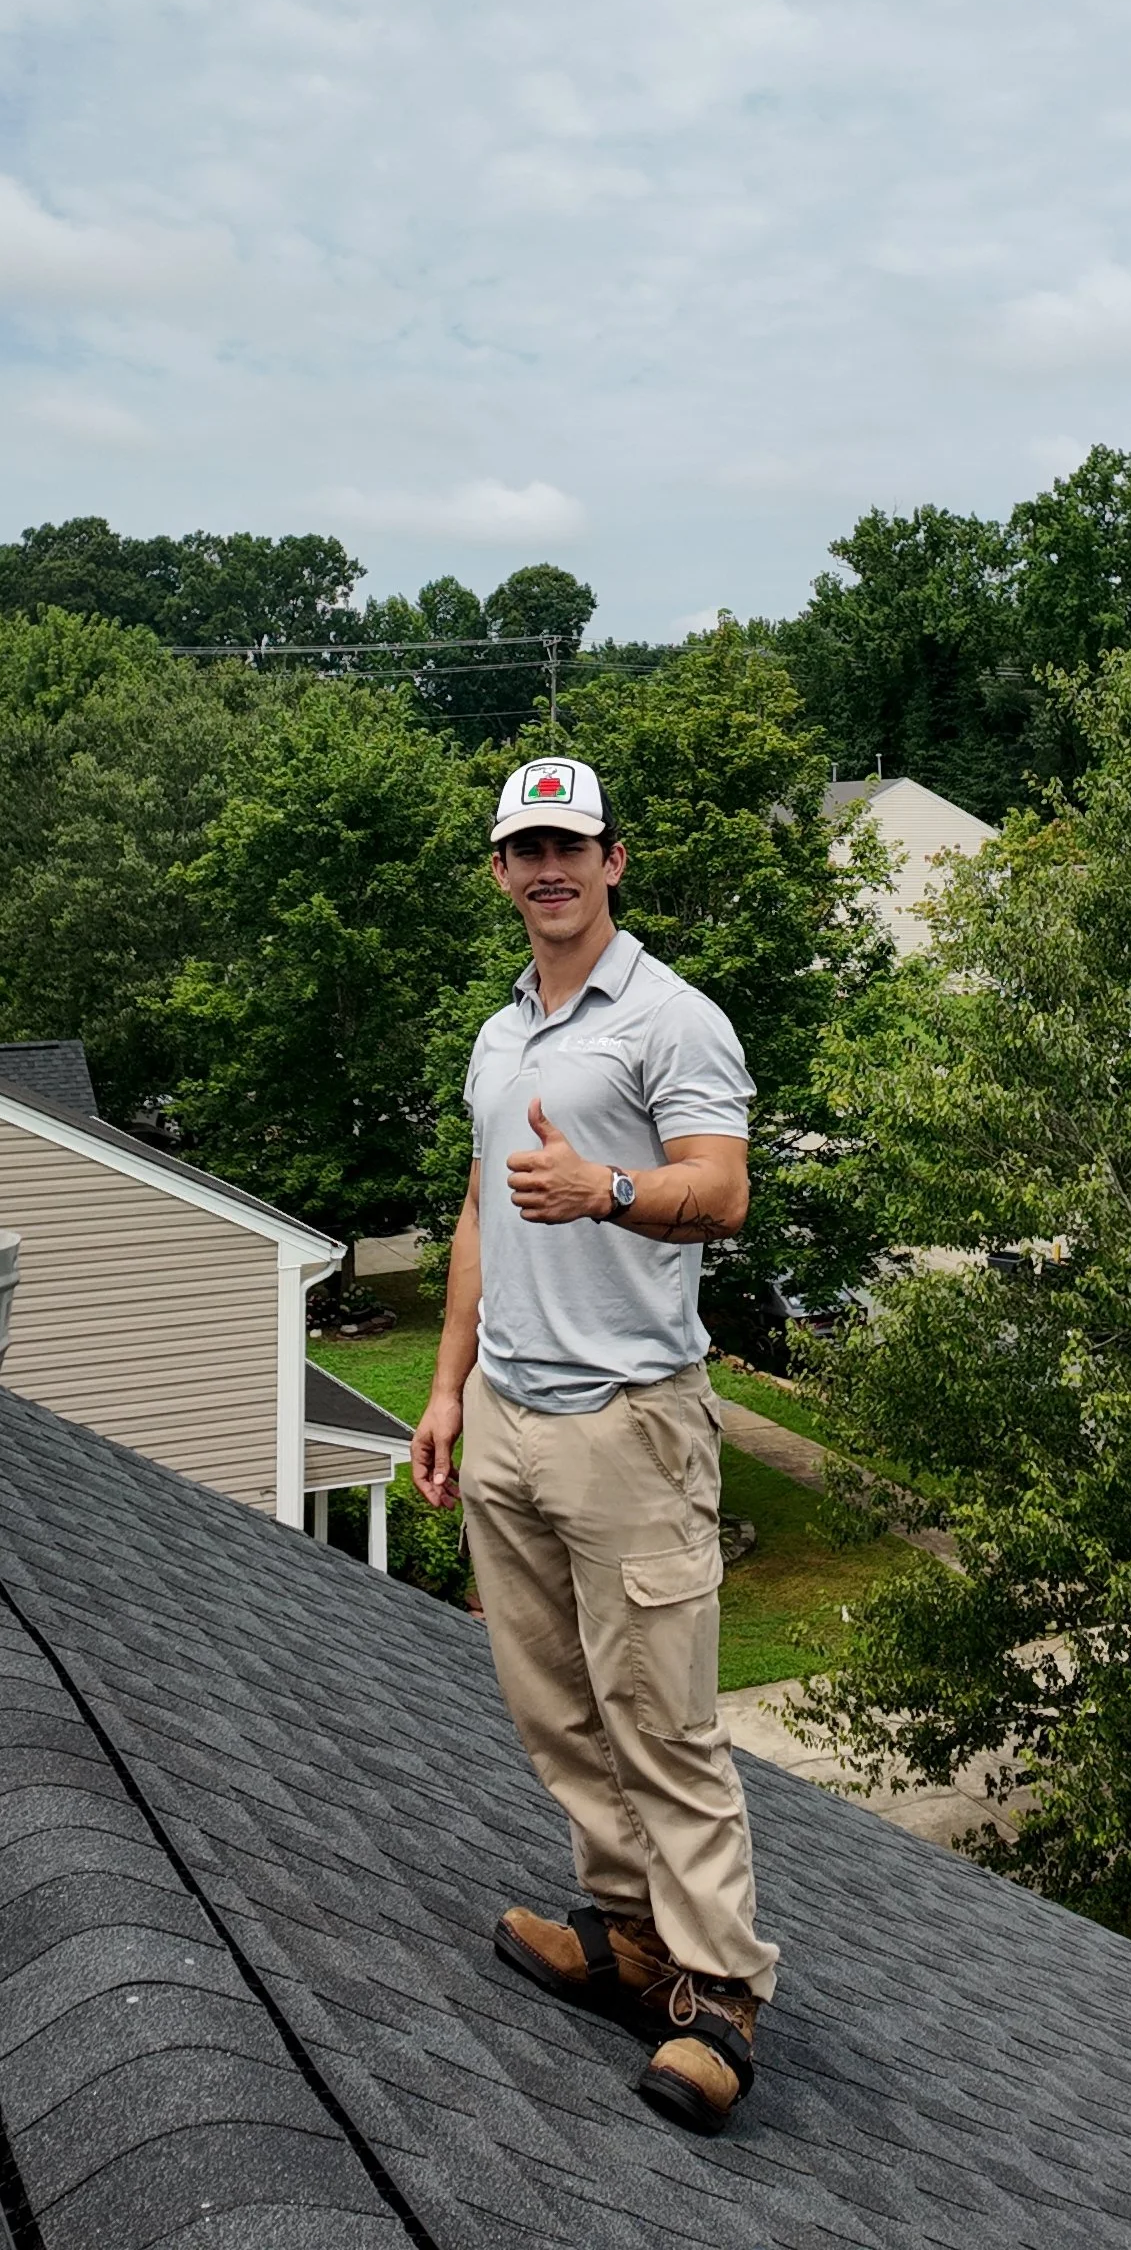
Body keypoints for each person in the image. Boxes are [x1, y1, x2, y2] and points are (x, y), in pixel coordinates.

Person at [412, 755, 777, 2136]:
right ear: (503, 873)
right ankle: (630, 1942)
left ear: (614, 862)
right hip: (508, 1416)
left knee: (663, 1725)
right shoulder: (502, 1036)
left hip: (631, 1425)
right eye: (526, 850)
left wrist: (607, 1189)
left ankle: (722, 1995)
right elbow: (477, 1221)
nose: (549, 869)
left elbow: (724, 1193)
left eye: (572, 845)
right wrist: (446, 1393)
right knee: (558, 1710)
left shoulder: (674, 1022)